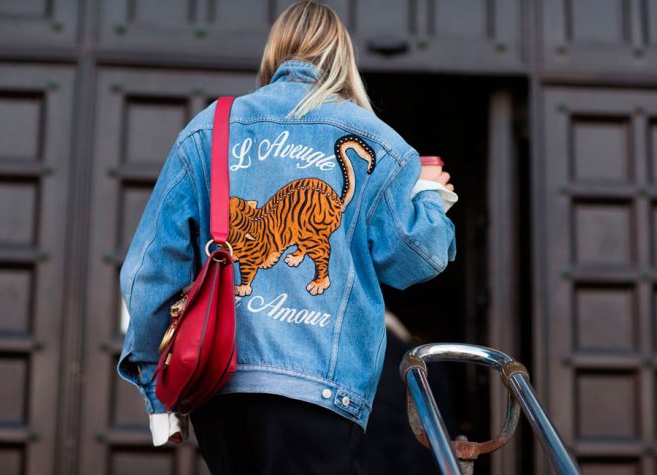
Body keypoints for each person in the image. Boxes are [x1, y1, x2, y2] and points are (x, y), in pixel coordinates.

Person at [117, 1, 457, 473]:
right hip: (320, 388)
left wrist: (158, 391)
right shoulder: (382, 144)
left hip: (220, 384)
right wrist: (428, 198)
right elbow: (417, 257)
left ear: (273, 54)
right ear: (342, 56)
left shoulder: (209, 130)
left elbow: (150, 271)